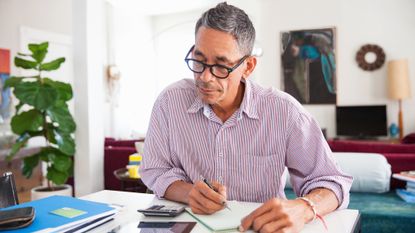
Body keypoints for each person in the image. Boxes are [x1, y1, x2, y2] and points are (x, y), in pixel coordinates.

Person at [140, 2, 352, 232]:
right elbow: (154, 169)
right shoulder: (169, 102)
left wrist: (303, 207)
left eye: (221, 66)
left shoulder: (285, 112)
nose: (205, 77)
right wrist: (189, 192)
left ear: (248, 66)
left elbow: (333, 182)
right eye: (198, 60)